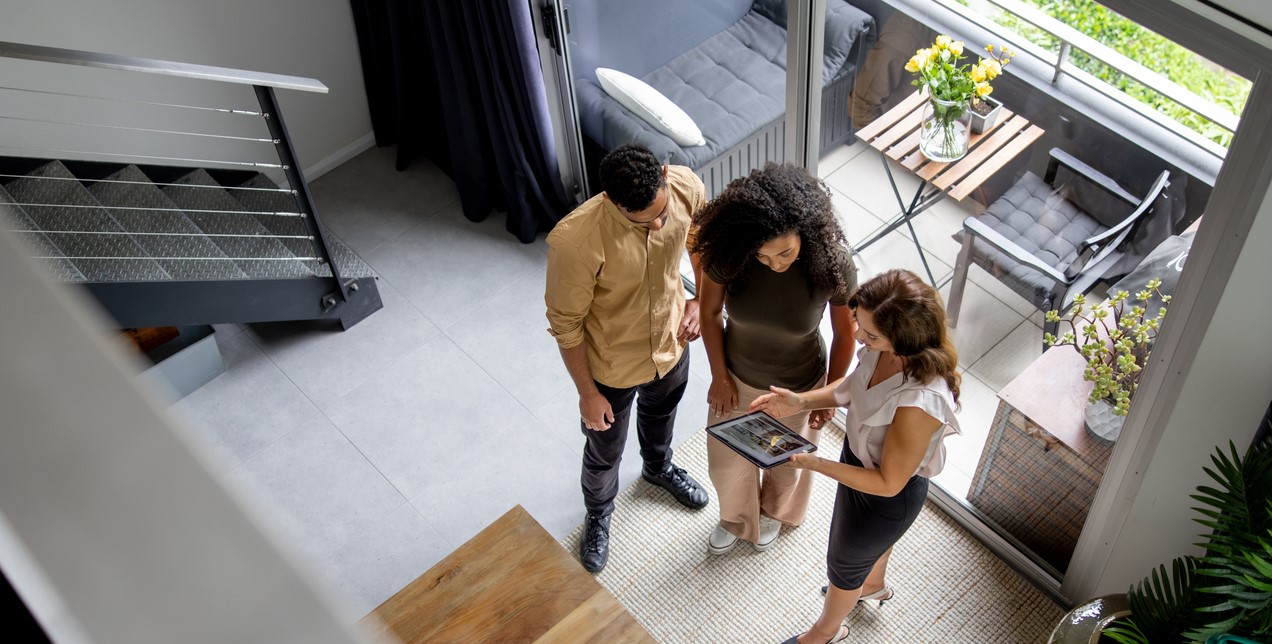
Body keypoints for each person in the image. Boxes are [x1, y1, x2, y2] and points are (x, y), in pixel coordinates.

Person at [751, 269, 961, 644]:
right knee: (862, 559)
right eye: (860, 326)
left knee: (843, 564)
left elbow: (888, 482)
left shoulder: (921, 401)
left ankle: (825, 632)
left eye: (870, 334)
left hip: (887, 496)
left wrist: (813, 462)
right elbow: (851, 387)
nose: (859, 338)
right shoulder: (883, 350)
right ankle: (873, 585)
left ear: (904, 337)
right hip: (856, 464)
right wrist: (801, 400)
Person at [545, 144, 711, 574]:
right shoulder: (575, 242)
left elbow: (701, 239)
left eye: (662, 213)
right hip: (612, 368)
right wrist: (586, 394)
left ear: (663, 172)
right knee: (604, 453)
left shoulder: (684, 185)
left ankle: (658, 468)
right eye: (646, 221)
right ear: (613, 202)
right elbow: (566, 325)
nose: (659, 223)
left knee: (662, 416)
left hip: (672, 346)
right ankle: (598, 513)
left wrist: (698, 300)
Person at [689, 163, 858, 555]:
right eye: (763, 257)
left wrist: (830, 394)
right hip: (736, 374)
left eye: (784, 252)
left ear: (805, 229)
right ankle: (735, 517)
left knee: (786, 463)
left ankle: (775, 513)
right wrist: (719, 376)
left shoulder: (832, 265)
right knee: (727, 462)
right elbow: (711, 313)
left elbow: (846, 333)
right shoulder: (730, 255)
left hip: (800, 385)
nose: (776, 264)